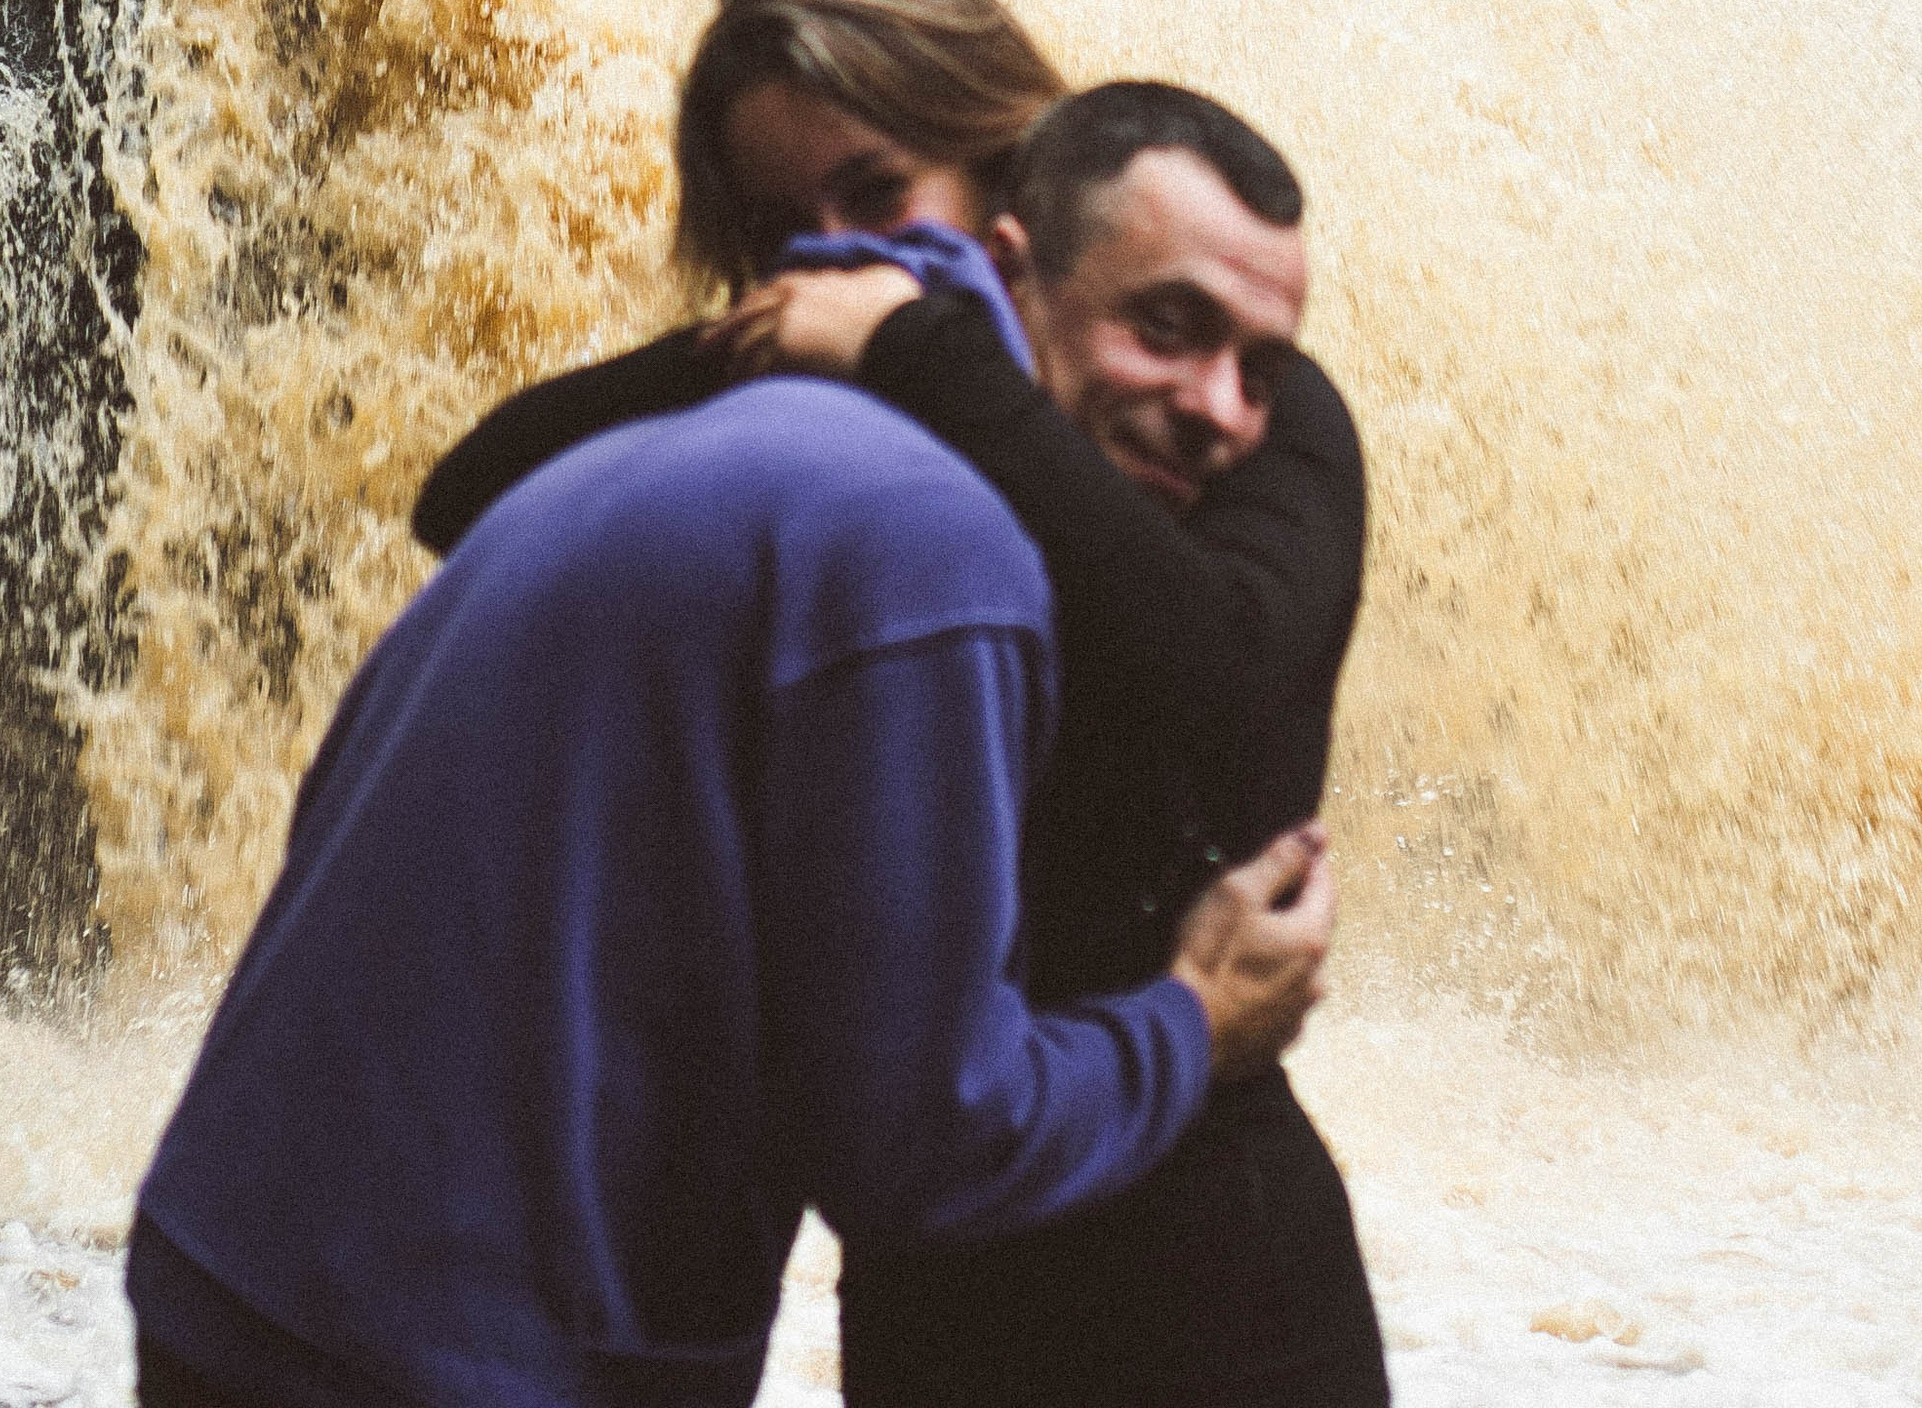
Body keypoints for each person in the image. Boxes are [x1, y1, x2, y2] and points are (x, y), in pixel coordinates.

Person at [418, 0, 1387, 1408]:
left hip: (1214, 1274)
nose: (825, 253)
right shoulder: (858, 413)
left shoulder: (1242, 401)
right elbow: (478, 494)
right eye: (774, 225)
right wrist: (776, 348)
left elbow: (1224, 677)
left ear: (1008, 186)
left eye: (875, 198)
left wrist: (924, 346)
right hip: (942, 1258)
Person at [129, 362, 1337, 1408]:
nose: (1216, 402)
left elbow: (1233, 676)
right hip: (505, 1330)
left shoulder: (884, 485)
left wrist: (919, 345)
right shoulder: (876, 490)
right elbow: (926, 1140)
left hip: (241, 1265)